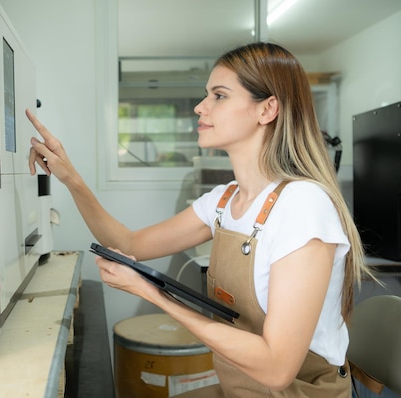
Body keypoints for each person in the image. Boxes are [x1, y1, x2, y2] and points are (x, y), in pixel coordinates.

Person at [26, 42, 375, 397]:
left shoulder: (303, 206)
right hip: (239, 386)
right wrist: (71, 179)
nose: (200, 106)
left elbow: (276, 369)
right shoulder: (223, 201)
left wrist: (156, 296)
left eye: (219, 96)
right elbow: (129, 245)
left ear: (267, 109)